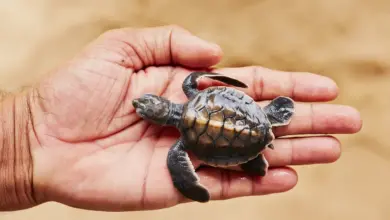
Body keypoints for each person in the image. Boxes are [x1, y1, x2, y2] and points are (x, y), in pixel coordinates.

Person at [0, 25, 362, 212]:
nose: (145, 107)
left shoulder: (180, 146)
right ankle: (262, 135)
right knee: (254, 133)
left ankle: (256, 153)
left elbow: (183, 169)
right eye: (148, 107)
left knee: (248, 155)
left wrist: (24, 133)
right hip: (231, 109)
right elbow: (213, 84)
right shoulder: (194, 90)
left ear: (161, 115)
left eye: (148, 106)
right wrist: (23, 133)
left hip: (224, 127)